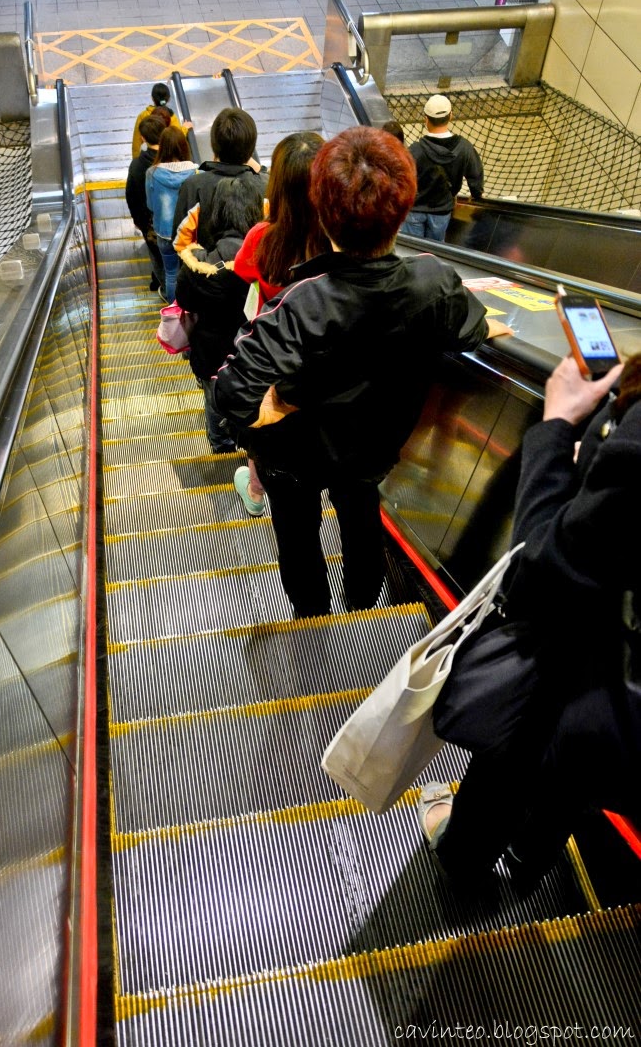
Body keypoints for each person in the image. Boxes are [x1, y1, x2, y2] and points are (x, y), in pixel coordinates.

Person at [214, 126, 511, 618]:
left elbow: (231, 390)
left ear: (324, 213)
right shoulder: (434, 282)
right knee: (361, 518)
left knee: (298, 535)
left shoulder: (303, 301)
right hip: (371, 447)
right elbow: (473, 328)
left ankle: (312, 614)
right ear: (404, 208)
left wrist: (278, 406)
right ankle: (362, 605)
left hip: (293, 456)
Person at [418, 352, 641, 891]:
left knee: (516, 752)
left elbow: (544, 565)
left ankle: (464, 856)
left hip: (581, 664)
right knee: (574, 776)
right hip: (622, 706)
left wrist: (557, 426)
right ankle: (527, 860)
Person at [231, 131, 329, 515]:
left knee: (267, 425)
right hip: (325, 361)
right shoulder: (338, 235)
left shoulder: (264, 236)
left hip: (276, 360)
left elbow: (242, 270)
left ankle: (256, 491)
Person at [175, 175, 265, 454]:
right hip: (254, 350)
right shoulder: (269, 258)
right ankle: (253, 448)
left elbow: (184, 301)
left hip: (210, 351)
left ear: (216, 214)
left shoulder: (197, 263)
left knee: (214, 399)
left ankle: (220, 442)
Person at [172, 107, 268, 256]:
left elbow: (180, 242)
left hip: (208, 267)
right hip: (255, 268)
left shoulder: (193, 186)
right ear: (252, 147)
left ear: (213, 145)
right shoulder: (267, 186)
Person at [401, 94, 484, 242]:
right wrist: (476, 194)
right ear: (450, 116)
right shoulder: (464, 148)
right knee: (436, 250)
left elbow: (402, 180)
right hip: (442, 211)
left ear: (426, 119)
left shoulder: (415, 150)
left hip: (415, 210)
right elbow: (475, 174)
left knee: (412, 250)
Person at [145, 126, 198, 304]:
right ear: (184, 147)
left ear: (162, 147)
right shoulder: (196, 172)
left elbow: (150, 205)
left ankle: (174, 311)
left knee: (171, 274)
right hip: (190, 233)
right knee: (192, 273)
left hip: (164, 233)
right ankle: (191, 309)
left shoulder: (152, 173)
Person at [125, 114, 167, 294]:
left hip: (149, 224)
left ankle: (164, 288)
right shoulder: (175, 160)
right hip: (177, 222)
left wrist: (138, 221)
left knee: (157, 258)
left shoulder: (137, 165)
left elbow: (131, 195)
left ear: (143, 138)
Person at [131, 82, 191, 158]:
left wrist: (136, 159)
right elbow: (176, 137)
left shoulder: (143, 115)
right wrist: (185, 128)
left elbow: (136, 142)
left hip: (151, 155)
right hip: (167, 156)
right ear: (168, 99)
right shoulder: (171, 117)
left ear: (152, 98)